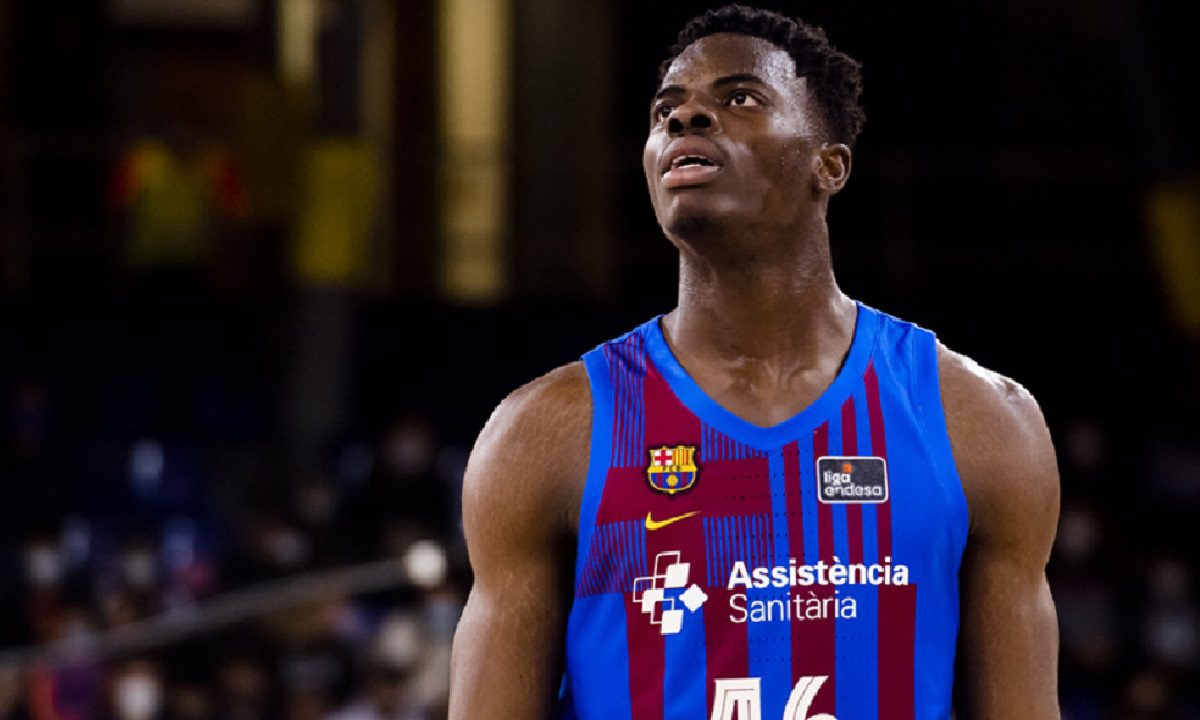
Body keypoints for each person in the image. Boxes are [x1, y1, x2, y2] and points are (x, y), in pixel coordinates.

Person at [449, 6, 1060, 719]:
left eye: (739, 97)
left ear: (829, 165)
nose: (686, 119)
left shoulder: (978, 419)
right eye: (667, 112)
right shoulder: (546, 433)